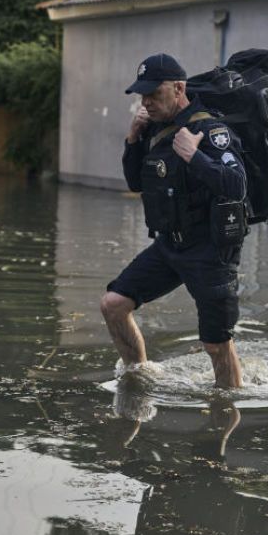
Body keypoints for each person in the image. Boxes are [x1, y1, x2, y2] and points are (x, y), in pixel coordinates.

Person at [100, 53, 247, 388]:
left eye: (154, 93)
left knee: (216, 344)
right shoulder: (156, 129)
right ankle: (137, 377)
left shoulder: (211, 130)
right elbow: (137, 183)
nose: (147, 102)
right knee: (113, 304)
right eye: (143, 95)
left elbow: (237, 185)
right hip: (169, 245)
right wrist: (133, 139)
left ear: (179, 88)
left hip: (210, 250)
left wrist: (194, 157)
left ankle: (226, 411)